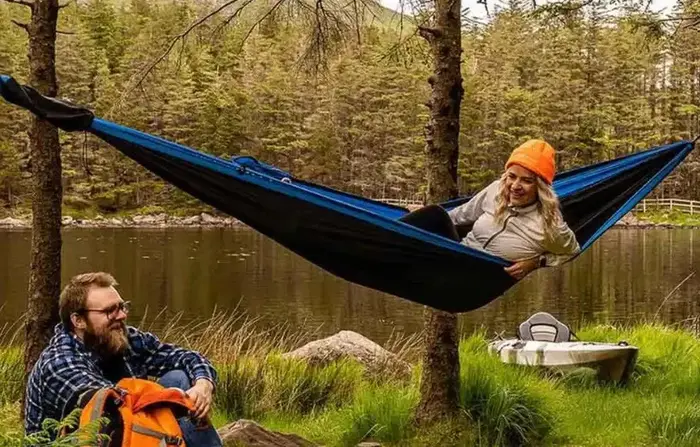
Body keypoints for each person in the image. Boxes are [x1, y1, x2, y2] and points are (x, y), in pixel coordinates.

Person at [24, 272, 222, 446]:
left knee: (179, 377)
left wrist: (204, 384)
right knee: (168, 394)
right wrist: (174, 397)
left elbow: (186, 357)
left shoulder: (122, 338)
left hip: (123, 431)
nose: (121, 316)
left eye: (122, 307)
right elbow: (110, 403)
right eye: (110, 311)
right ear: (79, 321)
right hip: (80, 440)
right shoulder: (59, 362)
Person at [448, 139, 580, 279]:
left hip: (482, 278)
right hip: (453, 257)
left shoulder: (549, 224)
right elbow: (459, 216)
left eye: (526, 180)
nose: (515, 186)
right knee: (433, 215)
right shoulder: (495, 190)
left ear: (540, 188)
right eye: (512, 176)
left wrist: (536, 262)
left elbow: (572, 251)